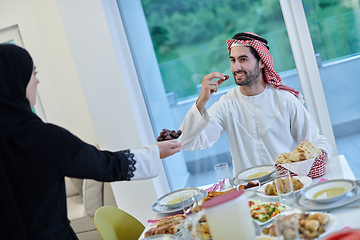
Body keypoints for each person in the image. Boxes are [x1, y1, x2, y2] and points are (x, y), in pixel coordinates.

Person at [0, 44, 181, 240]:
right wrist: (155, 152)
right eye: (33, 74)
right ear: (14, 81)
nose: (37, 81)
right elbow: (105, 165)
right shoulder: (43, 137)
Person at [179, 32, 332, 176]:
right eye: (233, 60)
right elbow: (187, 141)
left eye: (243, 60)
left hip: (288, 187)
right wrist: (202, 101)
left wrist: (312, 162)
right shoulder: (226, 105)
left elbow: (317, 142)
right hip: (250, 194)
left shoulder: (285, 100)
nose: (236, 67)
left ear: (261, 63)